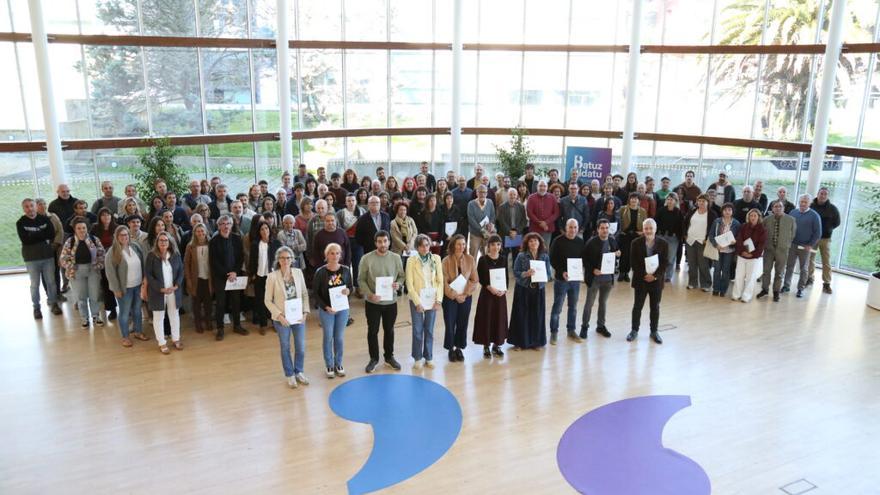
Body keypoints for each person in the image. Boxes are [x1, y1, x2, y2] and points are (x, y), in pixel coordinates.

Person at [358, 230, 406, 373]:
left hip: (391, 302)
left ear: (389, 242)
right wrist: (369, 294)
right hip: (373, 303)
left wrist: (398, 284)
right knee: (373, 331)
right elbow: (361, 279)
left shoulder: (396, 258)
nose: (383, 244)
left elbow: (401, 276)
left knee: (389, 330)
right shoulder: (366, 259)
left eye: (385, 241)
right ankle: (374, 359)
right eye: (379, 241)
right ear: (375, 243)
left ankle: (389, 357)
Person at [264, 246, 311, 389]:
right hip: (281, 319)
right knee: (285, 347)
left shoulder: (298, 273)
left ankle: (299, 371)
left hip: (298, 317)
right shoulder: (272, 277)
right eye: (282, 258)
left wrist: (305, 312)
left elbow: (304, 294)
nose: (285, 260)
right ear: (278, 260)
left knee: (300, 347)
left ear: (292, 259)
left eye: (288, 258)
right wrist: (279, 315)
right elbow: (267, 300)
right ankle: (290, 374)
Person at [17, 198, 63, 319]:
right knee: (35, 284)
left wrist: (33, 235)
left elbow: (51, 235)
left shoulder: (45, 219)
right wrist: (42, 235)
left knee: (51, 282)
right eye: (26, 206)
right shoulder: (20, 223)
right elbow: (25, 240)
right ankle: (36, 308)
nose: (29, 208)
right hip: (31, 258)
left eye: (31, 206)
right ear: (23, 208)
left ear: (36, 207)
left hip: (47, 256)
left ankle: (54, 304)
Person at [313, 243, 353, 378]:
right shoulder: (320, 272)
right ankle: (329, 364)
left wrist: (348, 291)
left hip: (342, 310)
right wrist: (326, 307)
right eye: (332, 253)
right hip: (327, 310)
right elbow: (316, 294)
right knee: (328, 337)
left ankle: (339, 363)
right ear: (326, 255)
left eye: (337, 253)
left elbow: (351, 288)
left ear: (340, 255)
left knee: (339, 337)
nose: (335, 255)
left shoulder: (346, 270)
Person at [405, 234, 444, 369]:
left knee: (429, 329)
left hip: (432, 299)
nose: (425, 248)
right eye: (421, 246)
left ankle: (429, 357)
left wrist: (438, 300)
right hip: (417, 299)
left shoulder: (436, 258)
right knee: (417, 330)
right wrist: (417, 302)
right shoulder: (411, 260)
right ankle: (417, 357)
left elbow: (440, 281)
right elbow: (409, 284)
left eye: (427, 245)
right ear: (417, 247)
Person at [105, 225, 147, 346]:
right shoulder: (112, 252)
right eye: (121, 235)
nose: (124, 237)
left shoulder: (135, 247)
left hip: (138, 285)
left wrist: (144, 281)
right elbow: (110, 273)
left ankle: (138, 332)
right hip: (125, 289)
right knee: (124, 313)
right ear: (117, 237)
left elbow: (142, 263)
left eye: (126, 234)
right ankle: (125, 337)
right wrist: (116, 289)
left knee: (137, 311)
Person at [627, 218, 668, 344]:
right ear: (643, 230)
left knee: (655, 307)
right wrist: (645, 275)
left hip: (656, 281)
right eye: (646, 228)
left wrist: (655, 276)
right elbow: (633, 263)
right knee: (637, 307)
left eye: (651, 228)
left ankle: (654, 331)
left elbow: (664, 263)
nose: (648, 231)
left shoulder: (663, 244)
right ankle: (634, 330)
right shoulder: (635, 243)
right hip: (641, 280)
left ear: (655, 229)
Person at [507, 232, 551, 350]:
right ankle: (519, 342)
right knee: (521, 315)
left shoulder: (544, 256)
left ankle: (536, 343)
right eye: (531, 241)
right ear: (527, 243)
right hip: (523, 289)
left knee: (537, 315)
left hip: (538, 289)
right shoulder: (521, 256)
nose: (533, 243)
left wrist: (544, 277)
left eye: (535, 241)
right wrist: (525, 273)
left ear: (539, 242)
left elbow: (549, 274)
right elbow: (515, 272)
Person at [440, 234, 479, 362]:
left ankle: (459, 348)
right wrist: (455, 295)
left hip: (465, 297)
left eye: (463, 244)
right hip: (450, 298)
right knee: (450, 324)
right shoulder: (445, 260)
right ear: (453, 245)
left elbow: (474, 280)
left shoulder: (470, 259)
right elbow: (443, 282)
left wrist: (465, 294)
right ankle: (450, 349)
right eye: (458, 244)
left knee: (462, 323)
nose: (461, 247)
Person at [60, 217, 105, 328]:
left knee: (94, 294)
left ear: (87, 228)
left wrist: (98, 265)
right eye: (79, 228)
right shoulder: (70, 242)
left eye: (84, 228)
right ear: (75, 229)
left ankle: (96, 316)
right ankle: (84, 318)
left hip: (92, 270)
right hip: (76, 271)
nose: (82, 230)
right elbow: (63, 258)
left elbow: (102, 254)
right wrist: (71, 266)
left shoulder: (94, 239)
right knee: (81, 296)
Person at [145, 232, 184, 355]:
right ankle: (162, 342)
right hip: (158, 292)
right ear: (157, 242)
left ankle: (176, 339)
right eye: (161, 240)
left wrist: (176, 285)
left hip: (173, 291)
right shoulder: (151, 256)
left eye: (165, 240)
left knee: (174, 315)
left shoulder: (175, 255)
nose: (163, 242)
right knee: (158, 317)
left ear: (169, 242)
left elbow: (181, 272)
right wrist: (160, 289)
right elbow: (149, 276)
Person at [580, 219, 620, 339]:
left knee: (603, 303)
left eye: (607, 228)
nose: (605, 230)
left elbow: (614, 258)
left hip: (608, 279)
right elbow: (584, 259)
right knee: (589, 304)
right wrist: (592, 270)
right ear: (597, 230)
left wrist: (618, 254)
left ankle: (601, 326)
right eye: (602, 228)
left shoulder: (612, 241)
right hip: (594, 279)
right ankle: (584, 327)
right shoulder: (591, 243)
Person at [210, 215, 247, 339]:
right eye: (223, 224)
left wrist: (235, 272)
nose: (226, 226)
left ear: (232, 225)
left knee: (236, 301)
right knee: (221, 303)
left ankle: (237, 325)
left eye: (228, 223)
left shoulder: (237, 239)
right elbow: (214, 262)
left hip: (235, 276)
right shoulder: (214, 241)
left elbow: (240, 257)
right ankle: (220, 329)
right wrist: (227, 274)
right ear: (219, 226)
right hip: (220, 277)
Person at [549, 219, 585, 344]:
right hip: (561, 279)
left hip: (575, 280)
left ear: (578, 228)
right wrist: (562, 271)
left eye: (575, 227)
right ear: (566, 228)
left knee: (573, 307)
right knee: (557, 307)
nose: (573, 230)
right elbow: (552, 259)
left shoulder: (580, 242)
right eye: (570, 227)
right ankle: (554, 332)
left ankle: (571, 330)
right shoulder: (557, 241)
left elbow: (583, 259)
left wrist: (581, 271)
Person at [472, 235, 508, 357]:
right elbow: (480, 278)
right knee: (486, 319)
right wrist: (489, 287)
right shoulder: (482, 260)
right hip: (487, 295)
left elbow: (506, 277)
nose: (495, 247)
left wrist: (504, 289)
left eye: (498, 244)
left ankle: (496, 346)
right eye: (493, 244)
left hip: (500, 295)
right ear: (488, 246)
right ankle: (486, 346)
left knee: (499, 319)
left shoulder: (503, 259)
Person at [757, 201, 797, 302]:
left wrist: (785, 244)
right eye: (775, 206)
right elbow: (762, 233)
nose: (778, 208)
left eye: (780, 206)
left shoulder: (791, 220)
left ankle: (776, 292)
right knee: (766, 271)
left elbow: (792, 234)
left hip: (782, 250)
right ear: (772, 208)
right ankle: (765, 289)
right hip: (769, 249)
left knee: (779, 272)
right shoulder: (766, 219)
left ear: (783, 208)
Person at [784, 194, 822, 298]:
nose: (803, 204)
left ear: (809, 203)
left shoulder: (814, 216)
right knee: (789, 266)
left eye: (805, 202)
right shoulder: (793, 213)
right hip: (792, 245)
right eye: (801, 201)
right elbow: (788, 228)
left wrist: (810, 245)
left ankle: (800, 288)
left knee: (804, 269)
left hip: (805, 247)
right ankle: (786, 286)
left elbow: (818, 233)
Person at [250, 222, 282, 333]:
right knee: (261, 300)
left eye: (266, 228)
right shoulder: (255, 244)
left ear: (269, 230)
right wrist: (252, 274)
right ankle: (263, 324)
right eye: (262, 229)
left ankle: (275, 322)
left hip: (273, 276)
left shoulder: (276, 243)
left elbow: (280, 259)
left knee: (274, 300)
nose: (265, 231)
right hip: (259, 276)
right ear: (259, 231)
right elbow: (252, 260)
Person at [808, 187, 841, 294]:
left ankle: (826, 283)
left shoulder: (833, 209)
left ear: (827, 196)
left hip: (825, 239)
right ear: (817, 194)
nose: (823, 196)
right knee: (810, 258)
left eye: (825, 194)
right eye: (821, 193)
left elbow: (837, 222)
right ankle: (809, 278)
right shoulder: (811, 206)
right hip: (813, 239)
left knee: (826, 261)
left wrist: (828, 229)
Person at [731, 209, 767, 303]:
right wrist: (742, 251)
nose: (753, 217)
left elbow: (761, 244)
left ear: (758, 217)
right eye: (751, 215)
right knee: (739, 276)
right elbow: (739, 239)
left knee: (751, 278)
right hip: (742, 256)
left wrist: (753, 254)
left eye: (755, 216)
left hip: (753, 257)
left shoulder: (762, 229)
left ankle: (746, 296)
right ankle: (736, 295)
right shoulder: (744, 226)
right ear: (748, 217)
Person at [183, 223, 213, 334]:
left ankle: (208, 321)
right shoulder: (190, 246)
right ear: (195, 233)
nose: (200, 233)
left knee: (208, 302)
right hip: (196, 279)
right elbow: (186, 264)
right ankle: (198, 323)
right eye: (198, 231)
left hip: (208, 278)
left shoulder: (211, 244)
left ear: (206, 232)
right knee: (196, 303)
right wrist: (188, 279)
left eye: (202, 231)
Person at [683, 194, 716, 291]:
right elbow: (685, 223)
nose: (701, 203)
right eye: (699, 201)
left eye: (703, 201)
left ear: (707, 202)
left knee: (703, 264)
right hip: (690, 241)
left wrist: (708, 239)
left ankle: (706, 284)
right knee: (692, 263)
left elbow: (713, 228)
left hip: (703, 242)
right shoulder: (692, 211)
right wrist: (685, 235)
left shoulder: (712, 214)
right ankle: (692, 283)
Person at [91, 207, 118, 320]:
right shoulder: (95, 228)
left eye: (108, 215)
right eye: (103, 215)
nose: (106, 217)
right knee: (107, 285)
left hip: (116, 258)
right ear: (99, 217)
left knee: (120, 282)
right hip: (102, 260)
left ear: (111, 216)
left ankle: (126, 308)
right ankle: (112, 309)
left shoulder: (116, 227)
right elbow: (91, 244)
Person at [708, 203, 741, 297]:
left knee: (726, 270)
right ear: (722, 211)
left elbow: (739, 237)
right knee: (717, 270)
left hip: (729, 251)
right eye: (725, 210)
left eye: (729, 210)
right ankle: (716, 288)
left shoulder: (736, 223)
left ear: (732, 212)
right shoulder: (717, 221)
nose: (727, 212)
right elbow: (711, 235)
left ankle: (723, 290)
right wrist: (716, 244)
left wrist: (735, 241)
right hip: (718, 250)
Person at [617, 193, 647, 282]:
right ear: (629, 199)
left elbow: (645, 223)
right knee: (624, 254)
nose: (634, 200)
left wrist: (642, 232)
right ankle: (621, 272)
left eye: (636, 199)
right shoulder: (623, 209)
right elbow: (619, 220)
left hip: (636, 236)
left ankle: (627, 273)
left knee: (631, 254)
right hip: (625, 235)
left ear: (639, 200)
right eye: (632, 198)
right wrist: (620, 231)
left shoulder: (642, 211)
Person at [655, 193, 682, 283]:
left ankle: (668, 276)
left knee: (670, 258)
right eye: (668, 199)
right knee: (660, 256)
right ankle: (660, 274)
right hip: (661, 236)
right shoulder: (661, 210)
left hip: (673, 238)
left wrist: (680, 237)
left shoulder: (679, 212)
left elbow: (681, 226)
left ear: (676, 201)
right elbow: (656, 222)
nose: (670, 201)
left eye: (672, 199)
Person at [466, 185, 496, 258]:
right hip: (475, 234)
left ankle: (484, 269)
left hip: (487, 233)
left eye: (484, 192)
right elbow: (471, 220)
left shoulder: (490, 202)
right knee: (473, 255)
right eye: (480, 192)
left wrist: (491, 224)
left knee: (487, 254)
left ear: (487, 193)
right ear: (477, 193)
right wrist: (482, 231)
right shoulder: (471, 204)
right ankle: (473, 269)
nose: (482, 194)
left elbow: (492, 215)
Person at [527, 180, 560, 246]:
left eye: (544, 186)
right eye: (540, 186)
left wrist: (546, 222)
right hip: (534, 228)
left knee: (545, 248)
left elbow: (556, 213)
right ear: (537, 187)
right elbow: (529, 213)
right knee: (534, 247)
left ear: (547, 187)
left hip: (547, 228)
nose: (542, 188)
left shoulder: (552, 197)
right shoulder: (531, 197)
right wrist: (539, 223)